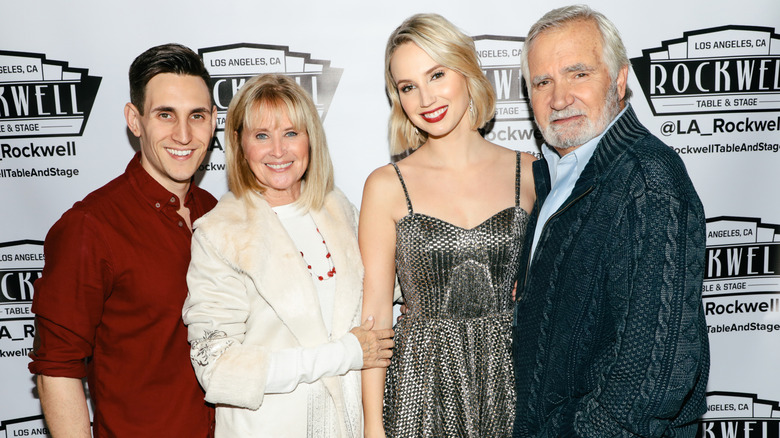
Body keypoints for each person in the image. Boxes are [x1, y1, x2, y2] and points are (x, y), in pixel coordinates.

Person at [511, 5, 709, 438]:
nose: (559, 98)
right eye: (543, 82)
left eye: (578, 74)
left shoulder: (646, 180)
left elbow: (648, 381)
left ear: (619, 80)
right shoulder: (553, 178)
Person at [181, 73, 394, 437]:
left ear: (311, 138)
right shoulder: (219, 234)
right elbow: (217, 368)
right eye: (262, 135)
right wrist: (343, 354)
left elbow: (381, 281)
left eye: (291, 133)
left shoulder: (336, 207)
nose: (278, 151)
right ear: (240, 144)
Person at [360, 13, 536, 438]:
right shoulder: (386, 185)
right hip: (421, 389)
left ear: (466, 70)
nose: (425, 98)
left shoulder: (531, 173)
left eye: (436, 74)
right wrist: (372, 426)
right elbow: (376, 317)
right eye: (408, 87)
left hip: (512, 380)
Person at [28, 43, 217, 437]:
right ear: (135, 120)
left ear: (213, 121)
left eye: (196, 116)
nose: (183, 134)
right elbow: (56, 370)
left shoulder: (217, 213)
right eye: (165, 115)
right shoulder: (90, 227)